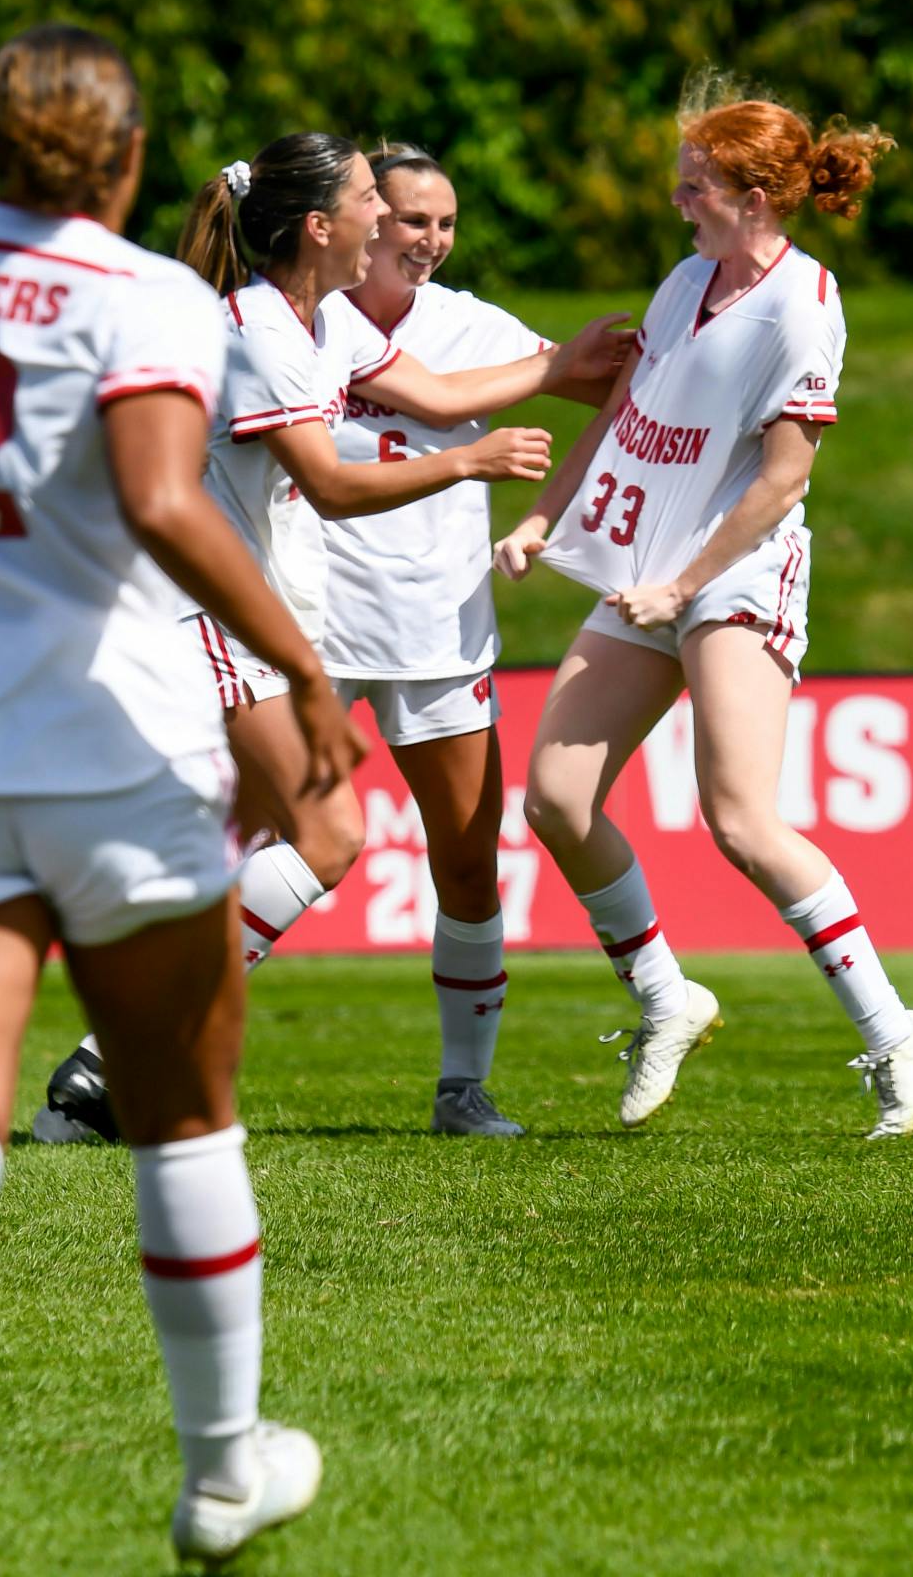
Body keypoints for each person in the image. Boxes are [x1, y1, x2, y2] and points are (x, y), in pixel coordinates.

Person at [0, 25, 367, 1565]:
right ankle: (225, 1467)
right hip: (113, 747)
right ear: (126, 158)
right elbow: (164, 498)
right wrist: (295, 668)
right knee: (180, 1119)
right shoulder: (146, 293)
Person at [36, 133, 629, 1145]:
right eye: (369, 199)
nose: (390, 221)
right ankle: (118, 1052)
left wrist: (570, 364)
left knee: (277, 845)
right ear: (321, 227)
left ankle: (101, 1076)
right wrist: (468, 466)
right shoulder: (259, 329)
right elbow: (330, 481)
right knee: (324, 835)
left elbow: (439, 393)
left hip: (260, 619)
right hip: (209, 615)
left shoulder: (319, 321)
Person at [494, 83, 913, 1139]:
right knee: (557, 800)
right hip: (649, 569)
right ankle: (667, 997)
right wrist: (541, 517)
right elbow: (624, 411)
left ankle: (894, 1029)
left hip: (734, 576)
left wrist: (683, 584)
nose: (676, 199)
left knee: (741, 819)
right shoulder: (686, 278)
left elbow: (780, 483)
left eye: (693, 184)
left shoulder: (804, 305)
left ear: (754, 197)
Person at [316, 142, 628, 1136]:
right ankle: (125, 1059)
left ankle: (463, 1088)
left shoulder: (472, 327)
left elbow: (611, 392)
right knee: (268, 844)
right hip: (309, 623)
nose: (431, 241)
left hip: (437, 628)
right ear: (363, 218)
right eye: (412, 219)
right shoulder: (300, 321)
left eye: (445, 223)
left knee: (464, 862)